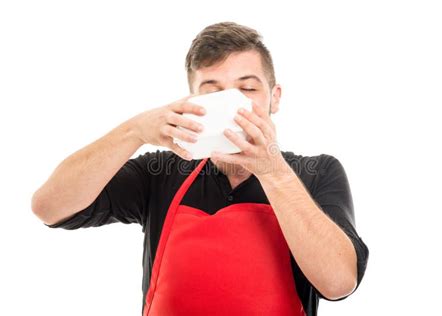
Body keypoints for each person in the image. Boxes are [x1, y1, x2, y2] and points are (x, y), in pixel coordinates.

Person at [32, 21, 369, 316]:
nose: (233, 103)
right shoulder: (160, 171)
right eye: (213, 92)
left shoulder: (316, 172)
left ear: (274, 97)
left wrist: (272, 170)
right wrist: (134, 131)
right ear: (192, 101)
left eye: (248, 88)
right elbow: (49, 206)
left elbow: (339, 282)